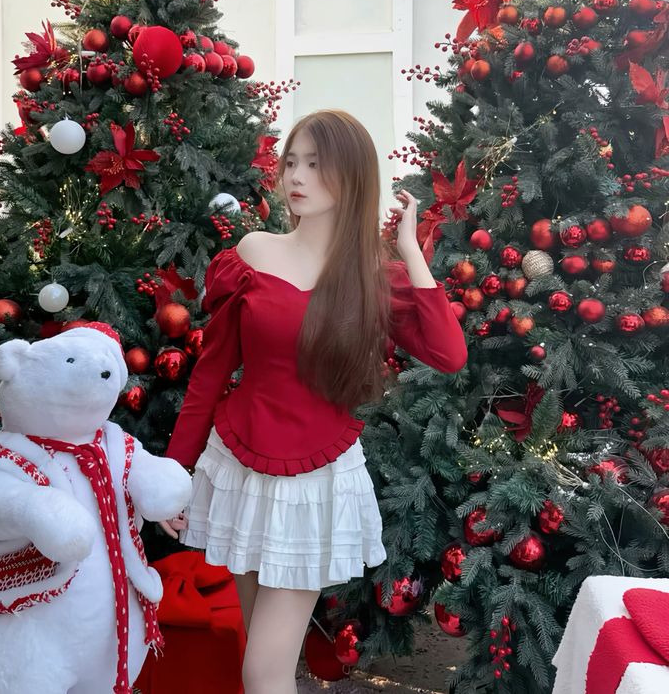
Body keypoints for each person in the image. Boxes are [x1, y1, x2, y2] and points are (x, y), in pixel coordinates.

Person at [162, 109, 467, 694]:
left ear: (351, 177)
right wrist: (174, 473)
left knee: (263, 671)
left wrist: (410, 251)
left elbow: (449, 355)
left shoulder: (373, 278)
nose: (296, 177)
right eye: (291, 162)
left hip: (313, 481)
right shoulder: (253, 252)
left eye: (315, 165)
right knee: (258, 657)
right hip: (239, 466)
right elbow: (210, 375)